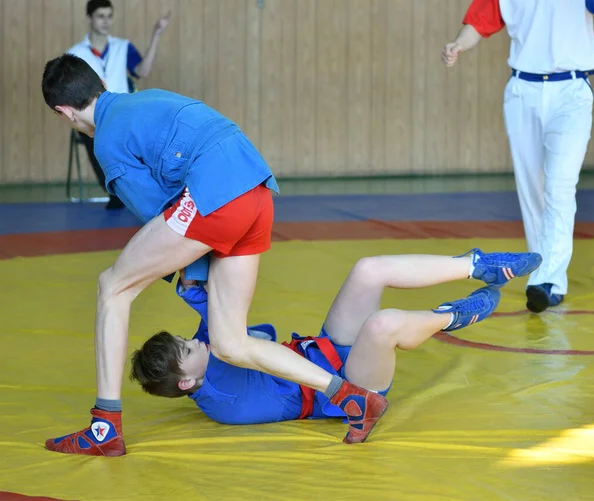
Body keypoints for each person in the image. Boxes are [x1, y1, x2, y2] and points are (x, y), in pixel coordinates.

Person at [41, 54, 401, 456]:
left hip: (217, 194)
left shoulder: (107, 140)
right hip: (256, 186)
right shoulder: (145, 100)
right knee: (230, 342)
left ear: (64, 112)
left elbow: (157, 212)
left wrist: (192, 270)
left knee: (112, 286)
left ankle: (105, 427)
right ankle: (351, 396)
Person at [125, 249, 541, 436]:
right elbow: (254, 334)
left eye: (186, 340)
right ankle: (452, 316)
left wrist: (190, 281)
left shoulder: (207, 356)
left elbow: (213, 314)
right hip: (349, 388)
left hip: (326, 350)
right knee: (382, 325)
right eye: (187, 349)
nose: (195, 343)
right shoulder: (221, 399)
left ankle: (476, 265)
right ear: (186, 383)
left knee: (368, 270)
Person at [442, 0, 594, 313]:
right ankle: (544, 274)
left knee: (560, 186)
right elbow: (482, 20)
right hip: (522, 91)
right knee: (532, 190)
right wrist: (459, 44)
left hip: (571, 89)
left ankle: (547, 281)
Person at [67, 0, 171, 209]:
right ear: (89, 19)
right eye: (100, 16)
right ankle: (116, 190)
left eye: (109, 16)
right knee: (93, 135)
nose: (106, 22)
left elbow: (142, 72)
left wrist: (156, 36)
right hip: (94, 116)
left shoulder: (122, 47)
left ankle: (150, 191)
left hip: (125, 113)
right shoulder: (75, 53)